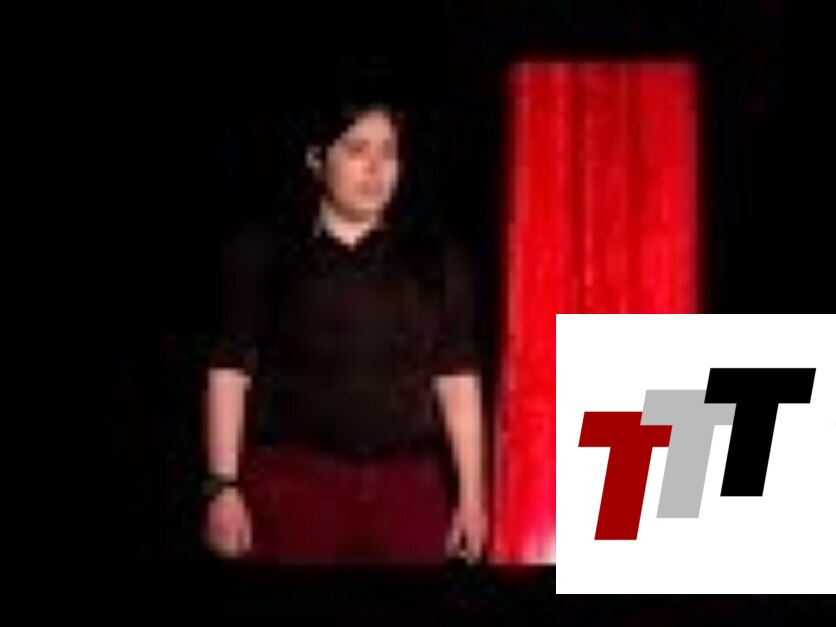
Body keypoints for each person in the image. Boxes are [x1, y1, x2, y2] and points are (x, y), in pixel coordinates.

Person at [203, 92, 489, 564]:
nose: (375, 168)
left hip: (408, 488)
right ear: (317, 161)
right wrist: (222, 487)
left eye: (388, 152)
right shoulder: (264, 252)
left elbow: (457, 378)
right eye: (357, 150)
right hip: (294, 484)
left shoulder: (436, 258)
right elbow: (229, 371)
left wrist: (472, 497)